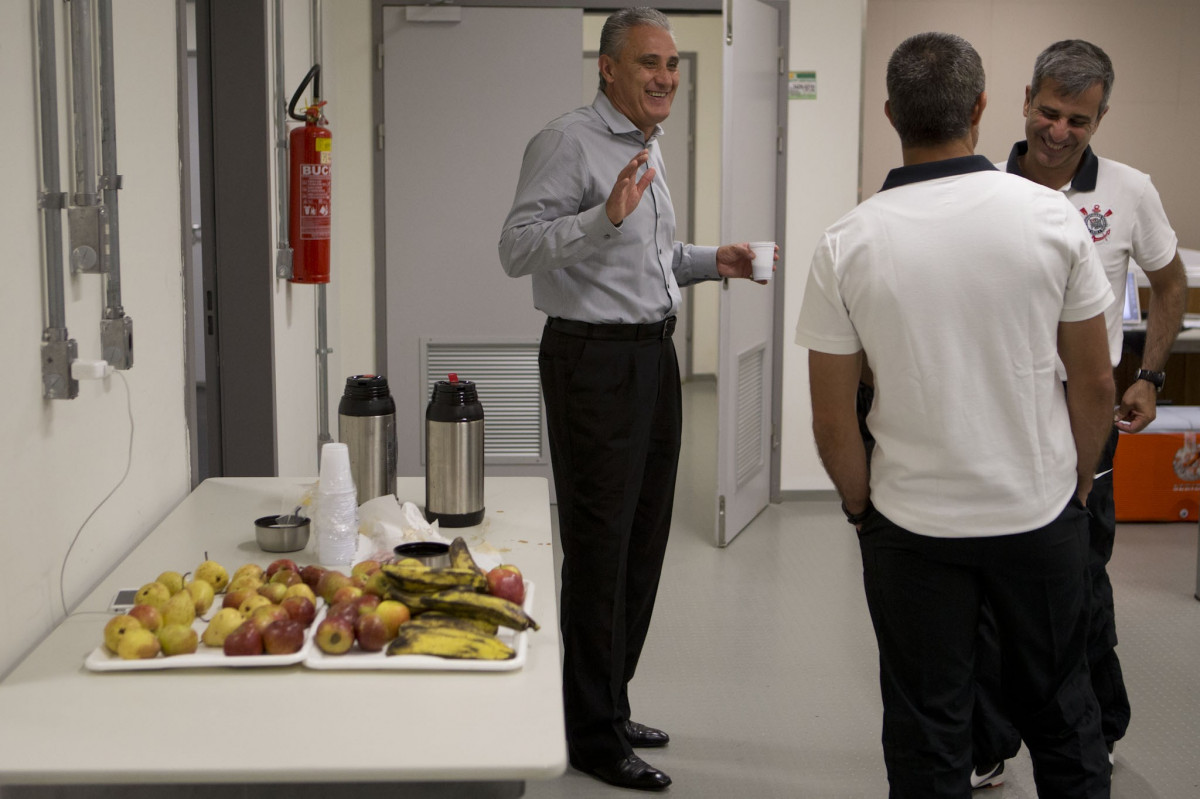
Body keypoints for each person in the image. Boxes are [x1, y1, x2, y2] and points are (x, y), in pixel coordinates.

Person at [796, 32, 1116, 798]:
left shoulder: (847, 242)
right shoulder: (1050, 218)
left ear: (890, 113)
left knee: (928, 727)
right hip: (1037, 515)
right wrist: (1076, 487)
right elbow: (1095, 381)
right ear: (978, 109)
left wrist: (859, 505)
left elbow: (832, 417)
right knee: (1064, 712)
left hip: (912, 529)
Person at [498, 7, 765, 792]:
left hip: (652, 357)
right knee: (600, 545)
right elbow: (516, 247)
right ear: (608, 68)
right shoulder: (566, 141)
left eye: (674, 65)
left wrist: (717, 260)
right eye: (650, 63)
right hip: (593, 363)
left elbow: (646, 261)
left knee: (644, 542)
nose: (666, 78)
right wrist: (600, 214)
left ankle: (606, 700)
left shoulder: (644, 147)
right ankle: (589, 732)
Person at [968, 40, 1188, 789]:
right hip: (994, 411)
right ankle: (989, 738)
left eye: (1080, 121)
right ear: (1025, 98)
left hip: (1083, 411)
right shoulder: (980, 183)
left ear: (1101, 120)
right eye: (1050, 113)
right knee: (987, 588)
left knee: (1079, 581)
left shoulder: (1129, 191)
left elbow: (1169, 282)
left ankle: (1099, 722)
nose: (1060, 132)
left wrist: (1150, 374)